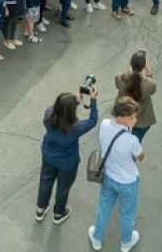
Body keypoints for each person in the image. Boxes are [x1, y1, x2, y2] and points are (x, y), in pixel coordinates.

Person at [88, 97, 144, 252]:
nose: (135, 120)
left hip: (109, 177)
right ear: (120, 118)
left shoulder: (105, 125)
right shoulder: (132, 140)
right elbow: (141, 156)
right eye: (131, 117)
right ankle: (126, 242)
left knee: (104, 208)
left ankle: (97, 238)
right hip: (128, 182)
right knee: (127, 213)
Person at [36, 87, 99, 224]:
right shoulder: (76, 128)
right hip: (67, 162)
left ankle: (40, 209)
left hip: (48, 156)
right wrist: (93, 101)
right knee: (63, 188)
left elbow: (60, 109)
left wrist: (74, 101)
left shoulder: (48, 115)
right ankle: (58, 213)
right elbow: (93, 121)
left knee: (45, 181)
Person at [115, 51, 157, 142]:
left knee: (120, 138)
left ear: (130, 62)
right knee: (135, 142)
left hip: (122, 116)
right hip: (141, 121)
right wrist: (149, 72)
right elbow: (150, 90)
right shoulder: (150, 84)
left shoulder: (119, 77)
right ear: (144, 66)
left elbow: (120, 85)